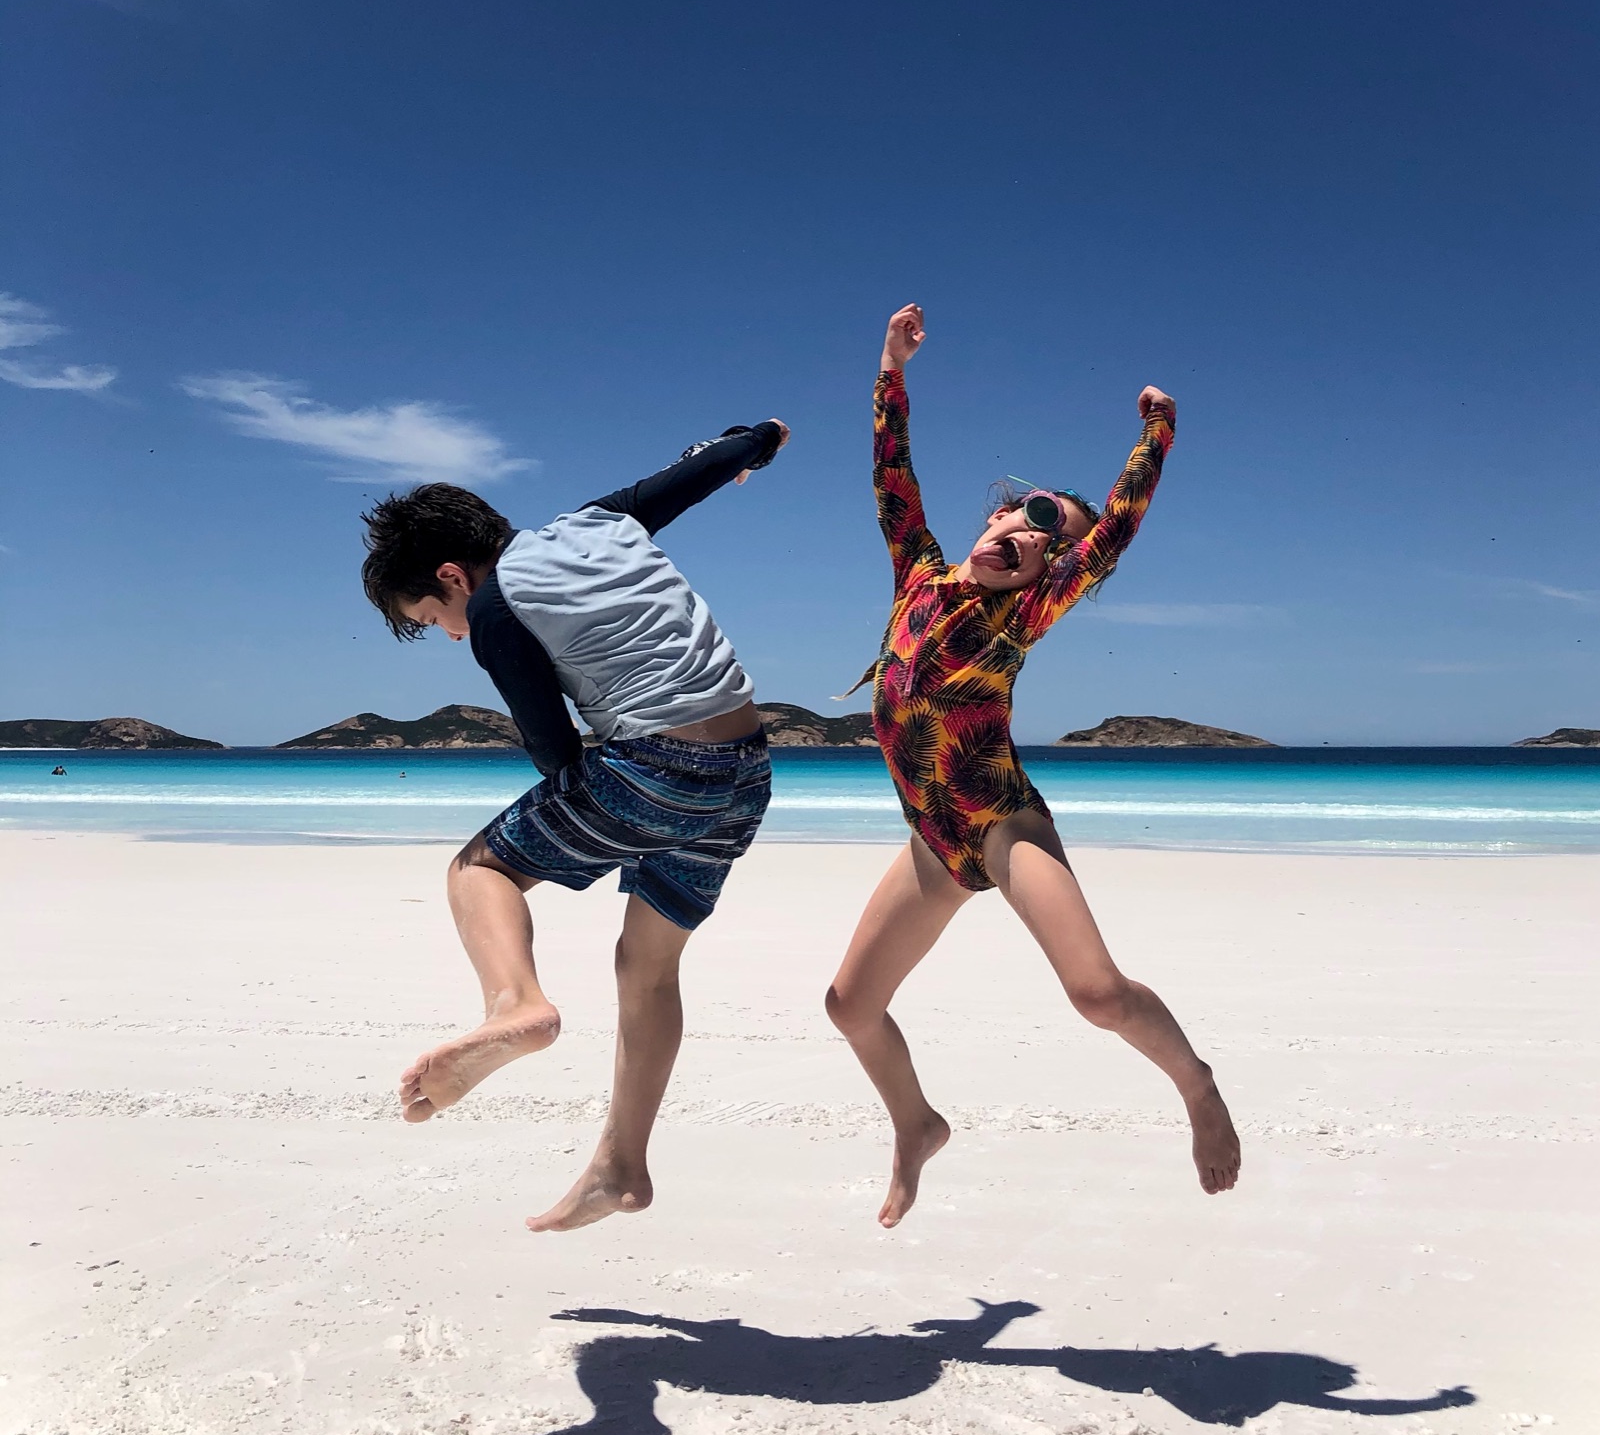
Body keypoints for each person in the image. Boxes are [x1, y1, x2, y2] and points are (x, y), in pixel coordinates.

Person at [825, 304, 1239, 1226]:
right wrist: (890, 367)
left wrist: (1156, 430)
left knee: (1095, 994)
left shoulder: (1023, 614)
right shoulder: (920, 576)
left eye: (1049, 538)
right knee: (850, 1007)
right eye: (1024, 511)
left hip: (1002, 824)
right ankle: (917, 1124)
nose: (1026, 533)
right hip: (933, 842)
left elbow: (1115, 531)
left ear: (1052, 571)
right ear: (997, 512)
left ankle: (1198, 1085)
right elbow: (890, 471)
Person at [360, 416, 789, 1231]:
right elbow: (705, 466)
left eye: (432, 616)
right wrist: (761, 439)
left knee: (478, 870)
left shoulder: (493, 608)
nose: (451, 633)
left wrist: (599, 781)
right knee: (646, 968)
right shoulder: (604, 520)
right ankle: (622, 1167)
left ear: (453, 575)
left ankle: (514, 1003)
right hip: (748, 772)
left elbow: (553, 750)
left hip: (659, 770)